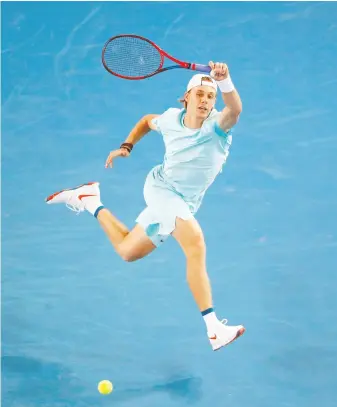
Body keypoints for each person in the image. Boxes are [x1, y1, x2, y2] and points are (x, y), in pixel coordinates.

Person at [46, 61, 245, 351]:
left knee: (128, 251)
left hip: (185, 201)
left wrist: (226, 81)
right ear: (186, 98)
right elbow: (146, 120)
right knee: (195, 244)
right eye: (200, 94)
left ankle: (90, 200)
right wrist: (126, 146)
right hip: (161, 190)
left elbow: (235, 109)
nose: (205, 101)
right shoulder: (169, 120)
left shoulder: (218, 126)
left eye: (211, 96)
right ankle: (213, 327)